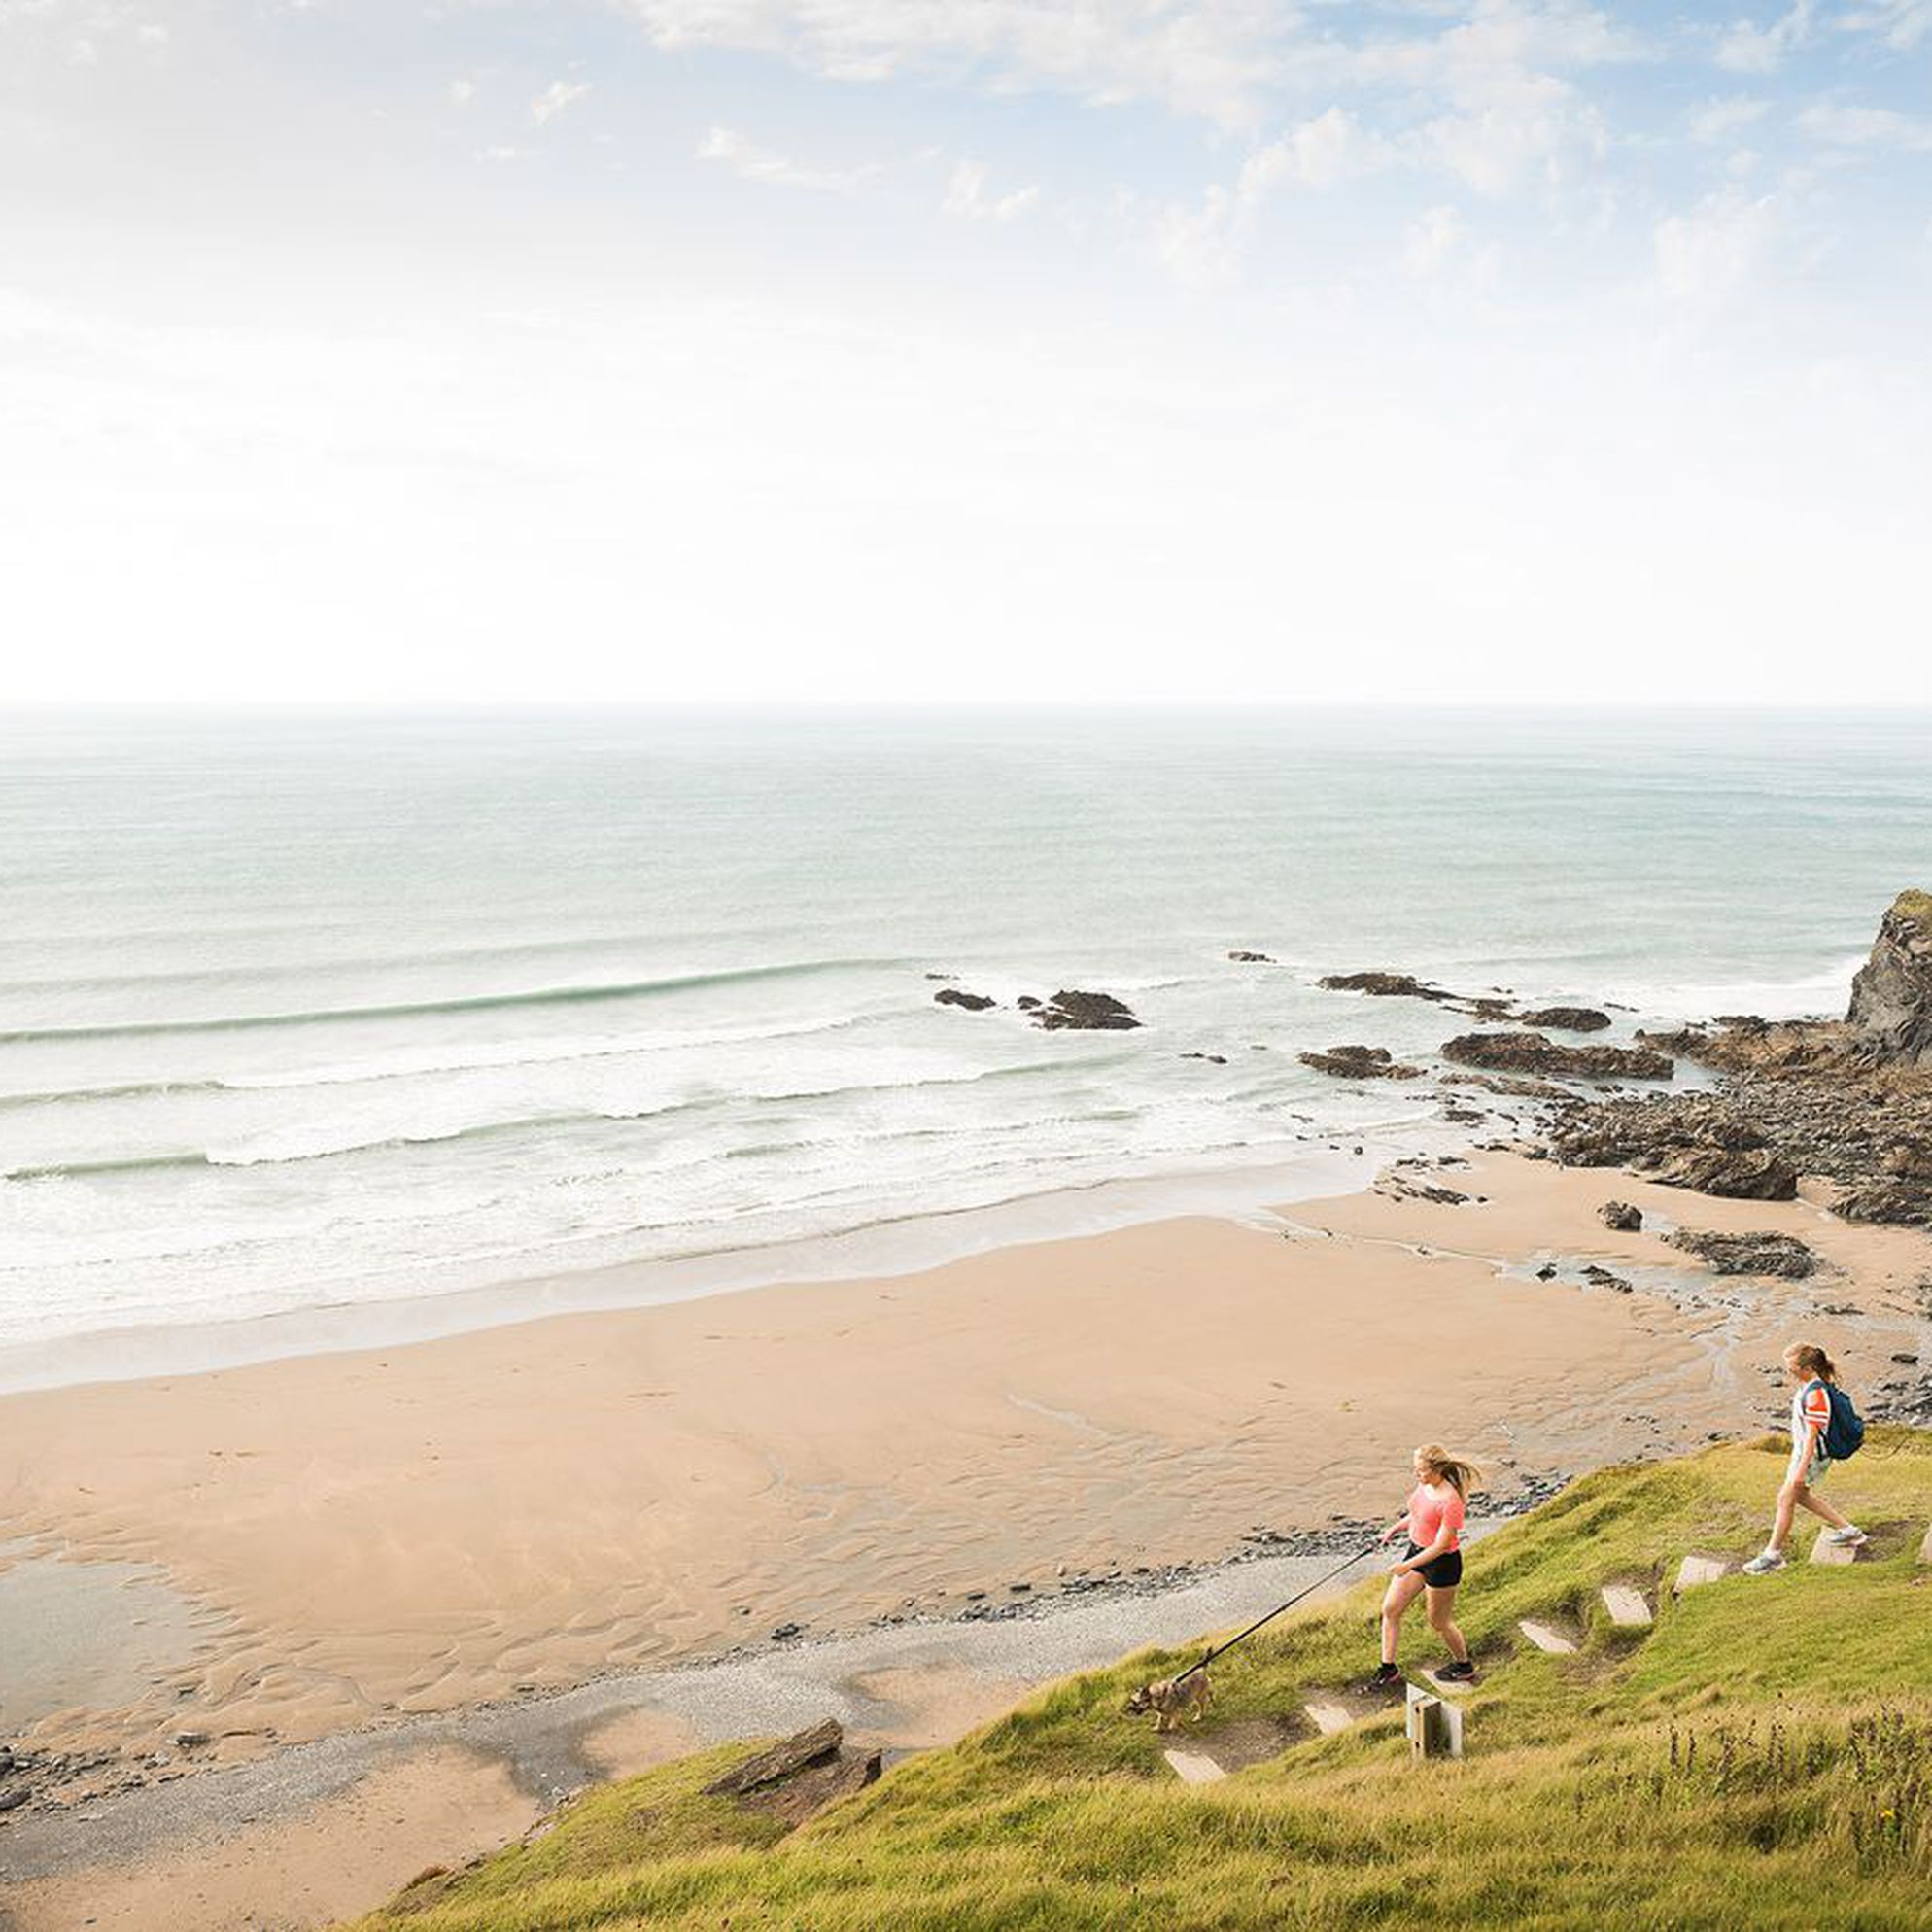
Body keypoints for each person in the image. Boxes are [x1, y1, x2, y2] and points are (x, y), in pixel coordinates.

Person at [1742, 1342, 1867, 1573]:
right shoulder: (1812, 1386)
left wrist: (1800, 1470)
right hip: (1804, 1455)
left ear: (1807, 1368)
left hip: (1810, 1456)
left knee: (1785, 1499)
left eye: (1792, 1366)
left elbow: (1812, 1436)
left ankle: (1773, 1556)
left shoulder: (1816, 1394)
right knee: (1800, 1497)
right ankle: (1849, 1531)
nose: (1788, 1370)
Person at [1368, 1443, 1480, 1688]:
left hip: (1442, 1564)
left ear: (1436, 1469)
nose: (1416, 1475)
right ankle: (1389, 1669)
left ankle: (1463, 1665)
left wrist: (1406, 1566)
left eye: (1420, 1470)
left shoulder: (1452, 1501)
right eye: (1415, 1470)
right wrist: (1391, 1530)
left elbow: (1441, 1545)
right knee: (1390, 1609)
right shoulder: (1425, 1485)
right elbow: (1418, 1515)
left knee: (1438, 1622)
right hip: (1416, 1552)